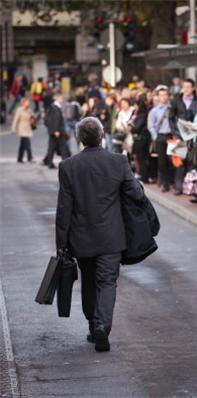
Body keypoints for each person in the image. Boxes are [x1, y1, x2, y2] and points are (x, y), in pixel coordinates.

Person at [55, 117, 144, 352]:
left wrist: (61, 243)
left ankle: (94, 325)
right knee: (107, 282)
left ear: (79, 138)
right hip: (112, 236)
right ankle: (102, 325)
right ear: (102, 135)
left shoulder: (68, 166)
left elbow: (64, 208)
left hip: (81, 237)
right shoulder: (118, 162)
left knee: (89, 281)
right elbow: (136, 194)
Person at [170, 78, 197, 195]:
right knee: (179, 161)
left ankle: (190, 187)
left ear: (193, 88)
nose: (186, 89)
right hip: (179, 135)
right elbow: (171, 117)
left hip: (193, 135)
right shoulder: (177, 100)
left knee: (191, 162)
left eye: (188, 87)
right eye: (184, 87)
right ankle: (178, 186)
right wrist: (174, 132)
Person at [147, 86, 175, 192]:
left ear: (168, 96)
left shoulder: (172, 108)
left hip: (171, 136)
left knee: (172, 160)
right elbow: (151, 126)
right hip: (160, 137)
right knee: (162, 162)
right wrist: (156, 137)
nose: (163, 97)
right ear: (158, 97)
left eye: (165, 95)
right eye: (161, 95)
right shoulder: (154, 111)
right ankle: (165, 183)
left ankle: (173, 181)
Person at [43, 94, 69, 168]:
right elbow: (55, 120)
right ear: (57, 99)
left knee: (52, 147)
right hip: (58, 131)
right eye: (61, 98)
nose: (62, 100)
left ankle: (49, 163)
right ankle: (64, 163)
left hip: (55, 131)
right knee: (62, 147)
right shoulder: (55, 108)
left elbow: (47, 120)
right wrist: (56, 130)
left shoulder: (53, 107)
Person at [11, 97, 34, 163]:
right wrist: (13, 129)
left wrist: (32, 119)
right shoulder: (19, 110)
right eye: (27, 102)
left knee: (22, 145)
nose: (29, 103)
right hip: (22, 129)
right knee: (27, 144)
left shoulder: (29, 110)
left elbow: (31, 119)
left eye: (29, 102)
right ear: (23, 103)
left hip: (28, 129)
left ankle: (19, 158)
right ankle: (30, 158)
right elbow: (16, 120)